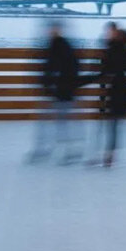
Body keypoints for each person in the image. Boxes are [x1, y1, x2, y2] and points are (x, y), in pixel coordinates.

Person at [28, 22, 82, 164]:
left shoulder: (62, 46)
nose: (51, 31)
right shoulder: (53, 45)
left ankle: (70, 151)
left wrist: (57, 83)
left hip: (62, 91)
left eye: (54, 29)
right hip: (55, 90)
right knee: (52, 121)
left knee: (61, 122)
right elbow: (49, 68)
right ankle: (48, 150)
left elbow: (66, 68)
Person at [94, 28, 126, 167]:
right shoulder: (113, 49)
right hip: (113, 90)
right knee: (112, 123)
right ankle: (108, 154)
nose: (111, 35)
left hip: (119, 91)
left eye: (115, 35)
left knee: (113, 122)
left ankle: (108, 154)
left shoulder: (120, 51)